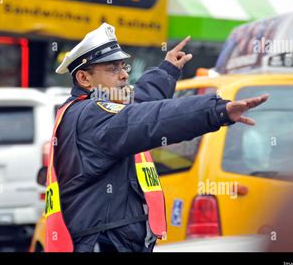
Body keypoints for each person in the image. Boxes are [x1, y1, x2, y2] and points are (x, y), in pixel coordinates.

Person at [45, 23, 268, 252]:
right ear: (84, 78)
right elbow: (148, 120)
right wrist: (215, 111)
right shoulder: (90, 114)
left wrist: (167, 71)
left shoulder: (88, 112)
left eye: (124, 66)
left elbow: (140, 109)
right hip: (103, 244)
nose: (124, 75)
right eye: (113, 69)